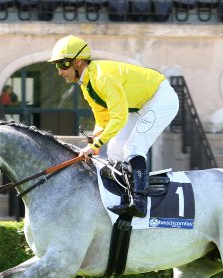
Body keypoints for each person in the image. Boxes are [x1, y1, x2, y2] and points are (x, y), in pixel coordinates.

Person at [48, 35, 180, 218]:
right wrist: (95, 143)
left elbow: (118, 118)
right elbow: (103, 119)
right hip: (137, 107)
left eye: (62, 64)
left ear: (78, 62)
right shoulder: (86, 85)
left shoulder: (102, 77)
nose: (59, 71)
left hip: (160, 99)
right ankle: (125, 198)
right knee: (115, 150)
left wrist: (95, 145)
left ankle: (139, 202)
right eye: (56, 65)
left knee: (133, 147)